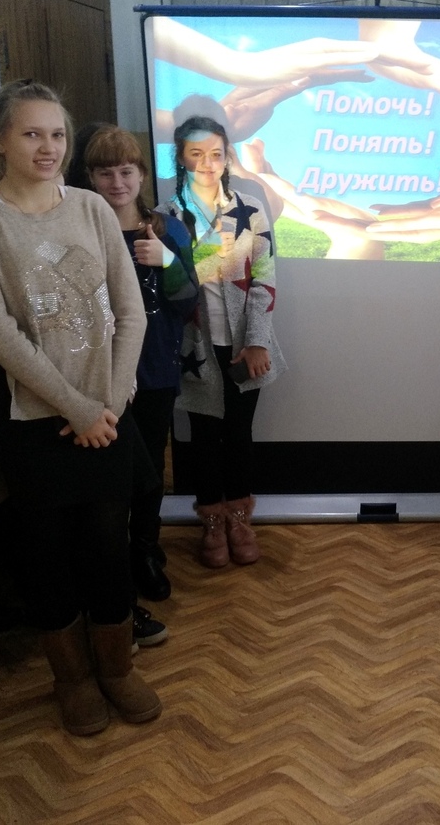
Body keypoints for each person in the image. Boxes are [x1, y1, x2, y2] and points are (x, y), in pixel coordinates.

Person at [0, 80, 158, 735]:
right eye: (32, 133)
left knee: (108, 543)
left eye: (58, 134)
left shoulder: (92, 207)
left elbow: (130, 312)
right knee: (47, 551)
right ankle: (72, 680)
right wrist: (76, 407)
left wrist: (109, 405)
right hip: (32, 419)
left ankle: (116, 669)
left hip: (108, 414)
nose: (48, 147)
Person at [85, 125, 198, 631]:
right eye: (105, 172)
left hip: (154, 368)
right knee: (111, 475)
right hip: (97, 372)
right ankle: (111, 564)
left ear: (143, 175)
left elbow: (191, 302)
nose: (117, 182)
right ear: (90, 177)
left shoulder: (169, 228)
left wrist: (167, 262)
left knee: (151, 467)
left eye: (126, 171)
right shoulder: (81, 225)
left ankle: (146, 550)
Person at [159, 114, 284, 568]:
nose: (208, 163)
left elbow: (265, 277)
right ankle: (212, 520)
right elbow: (179, 283)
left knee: (239, 433)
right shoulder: (167, 216)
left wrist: (257, 341)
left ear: (227, 156)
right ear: (180, 158)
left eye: (216, 153)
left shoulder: (249, 207)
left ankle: (239, 519)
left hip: (245, 343)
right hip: (195, 347)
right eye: (196, 154)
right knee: (204, 437)